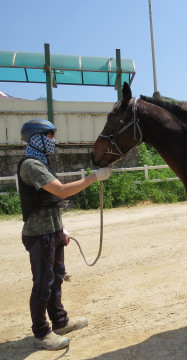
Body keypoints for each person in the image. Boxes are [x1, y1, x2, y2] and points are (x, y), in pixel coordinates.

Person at [18, 119, 112, 351]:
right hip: (39, 234)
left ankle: (59, 322)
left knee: (57, 277)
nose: (53, 139)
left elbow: (50, 199)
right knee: (43, 283)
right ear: (36, 138)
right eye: (48, 135)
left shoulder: (42, 162)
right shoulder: (32, 165)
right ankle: (41, 333)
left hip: (52, 231)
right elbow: (61, 190)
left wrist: (60, 229)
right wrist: (93, 177)